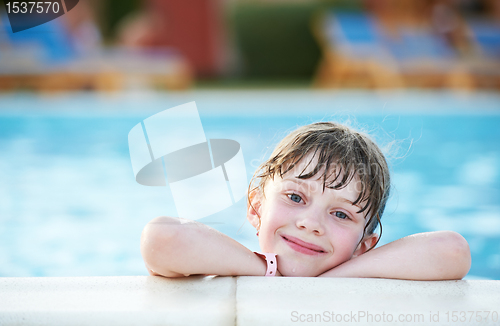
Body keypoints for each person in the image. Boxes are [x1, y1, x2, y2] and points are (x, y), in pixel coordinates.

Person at [140, 122, 471, 279]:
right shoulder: (226, 261)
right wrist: (265, 270)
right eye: (295, 196)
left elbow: (452, 250)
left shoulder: (364, 273)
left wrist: (338, 277)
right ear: (256, 207)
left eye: (341, 215)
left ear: (364, 246)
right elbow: (163, 238)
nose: (310, 224)